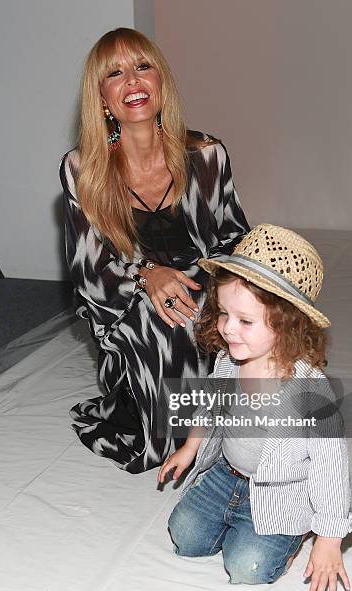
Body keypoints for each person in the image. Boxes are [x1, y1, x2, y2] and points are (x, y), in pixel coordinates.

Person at [59, 27, 250, 473]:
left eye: (143, 67)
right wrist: (147, 274)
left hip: (207, 280)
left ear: (161, 82)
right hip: (130, 299)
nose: (132, 81)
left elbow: (235, 236)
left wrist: (207, 282)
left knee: (228, 316)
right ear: (102, 98)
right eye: (115, 73)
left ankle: (231, 426)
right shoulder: (82, 168)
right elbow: (90, 269)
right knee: (165, 321)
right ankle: (176, 431)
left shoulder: (207, 155)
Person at [158, 224, 352, 591]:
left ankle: (292, 535)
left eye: (245, 321)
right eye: (224, 314)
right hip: (225, 475)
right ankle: (227, 521)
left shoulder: (311, 393)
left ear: (287, 326)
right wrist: (189, 448)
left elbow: (331, 469)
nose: (229, 328)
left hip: (282, 493)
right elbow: (210, 406)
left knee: (247, 568)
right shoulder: (229, 362)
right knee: (185, 537)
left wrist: (330, 539)